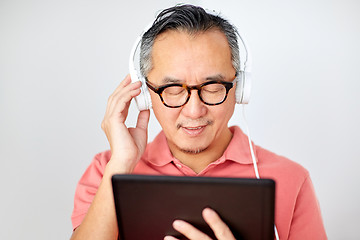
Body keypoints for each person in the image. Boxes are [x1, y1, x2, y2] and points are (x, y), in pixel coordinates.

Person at [71, 4, 327, 240]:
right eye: (172, 88)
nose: (194, 111)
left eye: (213, 86)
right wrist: (121, 164)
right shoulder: (108, 170)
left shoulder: (292, 179)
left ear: (239, 89)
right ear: (146, 96)